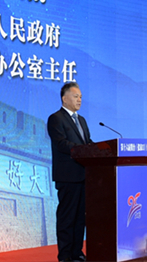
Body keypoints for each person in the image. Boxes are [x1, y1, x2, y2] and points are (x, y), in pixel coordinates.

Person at [47, 82, 93, 262]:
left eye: (80, 97)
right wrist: (84, 149)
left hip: (84, 176)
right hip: (67, 176)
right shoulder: (56, 118)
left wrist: (101, 149)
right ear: (64, 99)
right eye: (76, 96)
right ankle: (65, 256)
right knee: (67, 218)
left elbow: (87, 142)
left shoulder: (82, 120)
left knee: (80, 218)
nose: (79, 100)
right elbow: (61, 144)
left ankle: (77, 253)